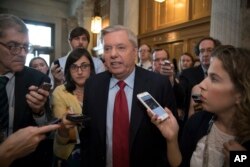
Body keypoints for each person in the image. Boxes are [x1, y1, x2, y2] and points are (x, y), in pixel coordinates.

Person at [80, 25, 177, 167]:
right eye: (107, 49)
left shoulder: (158, 84)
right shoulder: (93, 85)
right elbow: (88, 134)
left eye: (121, 47)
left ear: (134, 52)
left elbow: (170, 134)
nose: (113, 54)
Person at [148, 45, 250, 167]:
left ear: (240, 93)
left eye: (215, 79)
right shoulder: (196, 122)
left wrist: (240, 160)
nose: (201, 85)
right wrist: (172, 139)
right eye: (207, 76)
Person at [0, 14, 54, 166]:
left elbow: (47, 130)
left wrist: (39, 112)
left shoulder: (37, 80)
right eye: (13, 46)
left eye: (25, 47)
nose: (23, 54)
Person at [52, 48, 95, 166]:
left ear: (91, 68)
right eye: (74, 67)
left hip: (95, 150)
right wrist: (65, 126)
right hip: (69, 152)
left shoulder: (99, 89)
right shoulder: (60, 92)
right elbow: (61, 136)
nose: (79, 71)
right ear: (68, 70)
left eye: (84, 66)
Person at [178, 37, 221, 122]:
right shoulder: (188, 74)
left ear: (217, 52)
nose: (205, 54)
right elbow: (180, 95)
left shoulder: (224, 75)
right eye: (202, 51)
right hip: (194, 122)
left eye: (209, 50)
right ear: (198, 54)